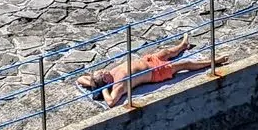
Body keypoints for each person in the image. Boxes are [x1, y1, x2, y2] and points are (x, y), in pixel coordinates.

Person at [77, 38, 220, 107]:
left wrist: (94, 83)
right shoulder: (119, 84)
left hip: (148, 60)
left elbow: (80, 79)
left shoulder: (108, 75)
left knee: (166, 52)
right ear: (106, 81)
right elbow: (111, 102)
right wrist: (102, 90)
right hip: (155, 72)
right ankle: (213, 62)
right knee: (183, 65)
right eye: (102, 73)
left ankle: (183, 46)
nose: (104, 70)